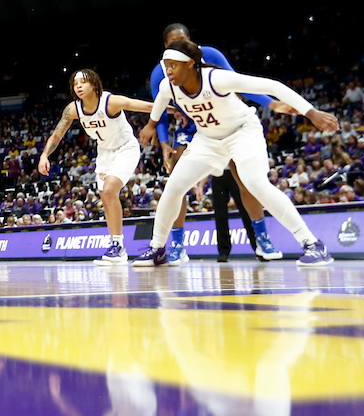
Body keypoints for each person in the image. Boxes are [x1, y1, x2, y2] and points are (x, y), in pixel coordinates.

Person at [133, 39, 337, 267]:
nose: (168, 70)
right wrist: (151, 124)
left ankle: (312, 243)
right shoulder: (167, 86)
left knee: (255, 183)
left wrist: (310, 112)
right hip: (207, 140)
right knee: (173, 188)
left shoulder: (216, 79)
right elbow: (160, 103)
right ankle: (157, 248)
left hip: (242, 133)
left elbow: (272, 87)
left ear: (190, 63)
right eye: (166, 65)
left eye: (174, 65)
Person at [148, 24, 292, 263]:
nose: (179, 46)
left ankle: (262, 240)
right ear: (165, 47)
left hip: (221, 121)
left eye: (184, 41)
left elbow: (240, 83)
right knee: (176, 185)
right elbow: (159, 111)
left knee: (246, 181)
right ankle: (178, 246)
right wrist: (164, 142)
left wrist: (270, 103)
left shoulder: (211, 55)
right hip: (189, 125)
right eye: (173, 43)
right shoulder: (159, 73)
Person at [38, 70, 153, 264]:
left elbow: (144, 106)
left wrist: (175, 109)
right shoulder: (73, 109)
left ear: (94, 84)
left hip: (125, 148)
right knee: (106, 198)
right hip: (104, 153)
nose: (79, 86)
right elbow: (57, 135)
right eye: (75, 84)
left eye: (83, 82)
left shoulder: (110, 102)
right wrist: (44, 155)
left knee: (109, 190)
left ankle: (118, 246)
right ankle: (117, 247)